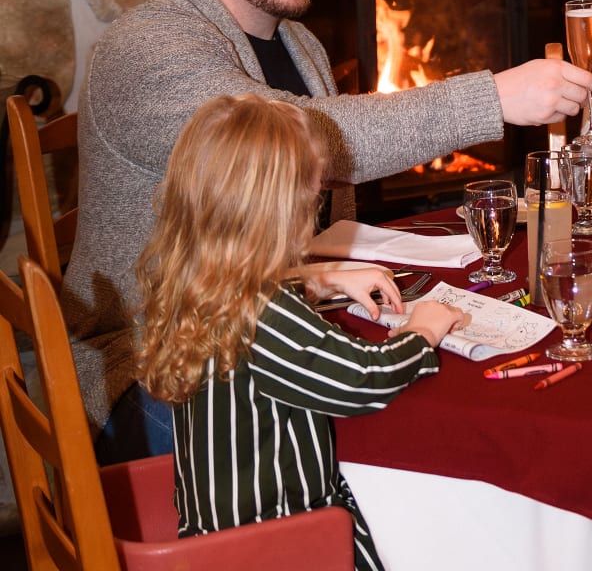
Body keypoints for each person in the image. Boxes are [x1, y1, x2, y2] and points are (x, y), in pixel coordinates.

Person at [64, 0, 592, 462]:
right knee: (374, 423)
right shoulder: (149, 51)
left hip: (252, 325)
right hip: (148, 360)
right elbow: (302, 138)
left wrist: (315, 278)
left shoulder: (299, 45)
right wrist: (493, 99)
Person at [137, 94, 469, 571]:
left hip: (216, 533)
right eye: (311, 199)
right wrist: (422, 331)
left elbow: (251, 292)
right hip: (280, 541)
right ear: (279, 213)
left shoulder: (193, 280)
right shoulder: (262, 312)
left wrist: (321, 277)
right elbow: (361, 379)